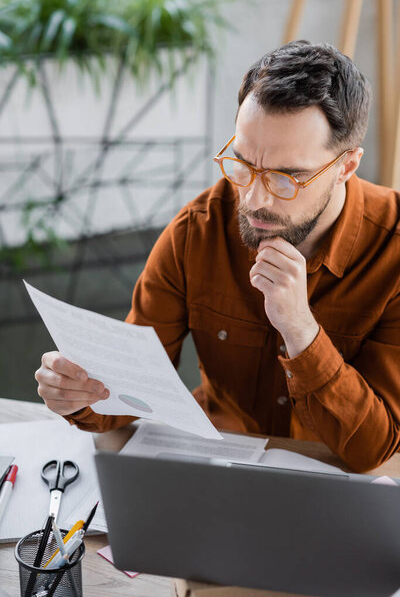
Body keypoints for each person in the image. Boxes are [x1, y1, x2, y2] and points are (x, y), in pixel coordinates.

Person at [35, 40, 400, 473]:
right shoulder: (198, 231)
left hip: (336, 482)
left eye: (288, 177)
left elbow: (374, 449)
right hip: (218, 462)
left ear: (346, 166)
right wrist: (79, 395)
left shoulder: (392, 252)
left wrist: (301, 329)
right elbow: (129, 392)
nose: (254, 197)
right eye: (244, 163)